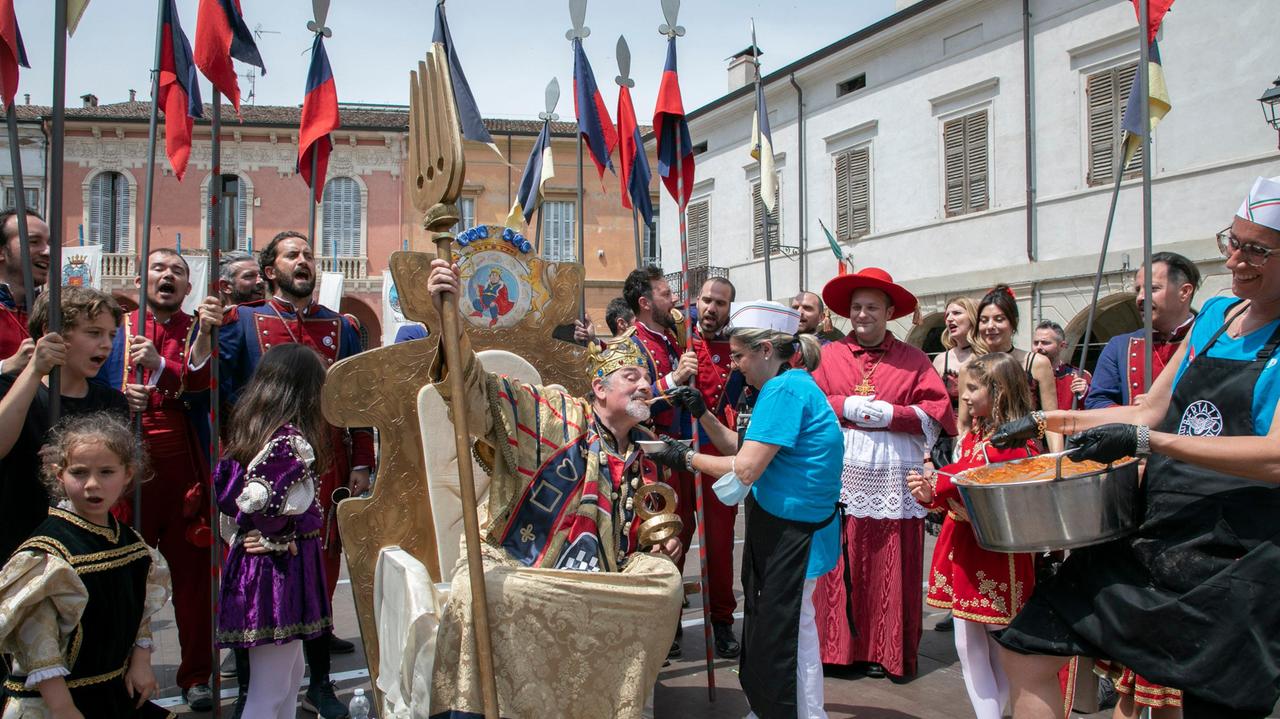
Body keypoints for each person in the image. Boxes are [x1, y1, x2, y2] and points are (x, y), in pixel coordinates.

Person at [990, 176, 1280, 718]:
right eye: (1233, 242)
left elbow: (1274, 456)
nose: (1237, 259)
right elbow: (1150, 408)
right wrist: (1048, 417)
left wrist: (1150, 441)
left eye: (1257, 249)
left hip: (1239, 553)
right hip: (1159, 529)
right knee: (1026, 644)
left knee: (1213, 705)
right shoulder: (1219, 316)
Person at [423, 257, 683, 719]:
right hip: (530, 568)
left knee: (664, 585)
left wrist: (659, 542)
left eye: (647, 378)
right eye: (633, 378)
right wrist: (451, 323)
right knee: (484, 589)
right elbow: (474, 391)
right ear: (599, 389)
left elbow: (635, 534)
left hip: (598, 581)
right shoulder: (550, 410)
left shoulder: (643, 455)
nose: (646, 386)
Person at [653, 300, 842, 718]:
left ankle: (797, 713)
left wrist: (683, 458)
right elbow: (740, 447)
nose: (733, 364)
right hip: (781, 525)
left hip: (795, 531)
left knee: (786, 631)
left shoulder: (784, 390)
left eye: (738, 355)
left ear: (766, 351)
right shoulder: (781, 388)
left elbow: (747, 467)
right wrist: (701, 413)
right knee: (779, 626)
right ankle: (781, 709)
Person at [218, 231, 372, 718]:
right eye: (292, 255)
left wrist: (364, 457)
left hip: (328, 464)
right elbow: (223, 396)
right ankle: (251, 687)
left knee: (319, 574)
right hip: (269, 465)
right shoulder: (243, 322)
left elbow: (356, 397)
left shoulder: (342, 325)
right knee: (263, 580)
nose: (303, 261)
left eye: (308, 254)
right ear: (270, 271)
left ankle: (319, 683)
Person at [809, 267, 957, 680]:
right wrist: (848, 408)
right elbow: (813, 402)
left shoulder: (913, 359)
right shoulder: (831, 355)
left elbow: (938, 413)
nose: (862, 314)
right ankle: (836, 650)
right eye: (856, 307)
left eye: (871, 307)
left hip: (895, 477)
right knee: (841, 559)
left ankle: (883, 650)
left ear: (889, 312)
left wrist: (893, 414)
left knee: (887, 558)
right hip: (841, 473)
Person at [92, 248, 222, 711]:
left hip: (186, 472)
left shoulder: (200, 330)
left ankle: (197, 675)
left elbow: (204, 387)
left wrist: (163, 369)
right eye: (159, 268)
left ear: (188, 287)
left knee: (193, 584)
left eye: (178, 272)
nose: (167, 276)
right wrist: (118, 396)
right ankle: (121, 672)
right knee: (125, 579)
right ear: (140, 278)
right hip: (126, 475)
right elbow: (88, 384)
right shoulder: (118, 327)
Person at [0, 412, 172, 719]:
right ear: (59, 475)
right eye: (79, 473)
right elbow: (37, 641)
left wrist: (141, 661)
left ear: (127, 474)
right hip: (55, 701)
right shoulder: (49, 554)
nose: (93, 485)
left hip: (111, 692)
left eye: (106, 472)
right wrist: (62, 706)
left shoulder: (130, 543)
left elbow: (139, 608)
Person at [908, 353, 1040, 719]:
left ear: (998, 392)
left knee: (1001, 640)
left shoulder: (1012, 441)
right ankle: (990, 714)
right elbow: (959, 474)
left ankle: (996, 711)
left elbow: (969, 474)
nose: (962, 396)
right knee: (968, 641)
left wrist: (936, 483)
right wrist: (932, 491)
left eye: (972, 388)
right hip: (968, 546)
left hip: (996, 553)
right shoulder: (978, 435)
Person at [215, 344, 335, 719]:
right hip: (276, 573)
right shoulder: (286, 442)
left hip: (281, 566)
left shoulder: (259, 432)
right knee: (270, 688)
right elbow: (262, 503)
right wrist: (275, 536)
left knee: (288, 676)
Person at [0, 287, 130, 563]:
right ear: (53, 333)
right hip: (19, 538)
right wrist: (35, 369)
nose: (106, 344)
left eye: (111, 335)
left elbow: (118, 472)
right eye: (94, 333)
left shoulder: (110, 401)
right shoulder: (14, 390)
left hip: (82, 546)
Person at [621, 265, 697, 656]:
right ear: (646, 302)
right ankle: (655, 632)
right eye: (667, 294)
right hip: (650, 459)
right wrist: (672, 381)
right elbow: (629, 408)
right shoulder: (630, 344)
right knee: (658, 541)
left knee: (681, 535)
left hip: (678, 454)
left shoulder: (669, 338)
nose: (674, 300)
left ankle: (670, 624)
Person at [683, 276, 744, 658]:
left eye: (720, 303)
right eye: (706, 300)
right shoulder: (677, 340)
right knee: (670, 540)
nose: (711, 308)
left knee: (719, 547)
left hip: (718, 457)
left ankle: (722, 621)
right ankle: (669, 621)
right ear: (696, 301)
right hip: (677, 454)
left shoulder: (739, 347)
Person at [1085, 252, 1199, 409]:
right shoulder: (1119, 346)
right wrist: (1135, 414)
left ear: (1184, 292)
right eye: (1138, 290)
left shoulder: (1210, 342)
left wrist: (1164, 406)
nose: (1140, 297)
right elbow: (1097, 402)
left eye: (1153, 288)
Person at [969, 285, 1062, 451]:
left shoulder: (1037, 363)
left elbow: (1051, 420)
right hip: (982, 454)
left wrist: (1058, 463)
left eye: (999, 319)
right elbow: (963, 424)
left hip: (1025, 453)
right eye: (984, 320)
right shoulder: (970, 367)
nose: (990, 326)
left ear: (1014, 322)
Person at [0, 207, 50, 377]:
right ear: (1, 251)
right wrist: (5, 366)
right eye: (34, 242)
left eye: (48, 243)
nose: (47, 251)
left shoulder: (51, 311)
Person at [1032, 320, 1091, 412]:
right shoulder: (1022, 374)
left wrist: (1086, 393)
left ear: (1062, 345)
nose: (1038, 347)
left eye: (1045, 343)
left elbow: (1095, 408)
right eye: (1036, 343)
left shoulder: (1080, 376)